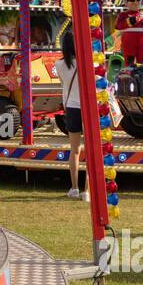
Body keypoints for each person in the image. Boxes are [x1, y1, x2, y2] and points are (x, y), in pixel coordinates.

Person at [53, 31, 87, 202]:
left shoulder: (59, 65)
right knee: (90, 151)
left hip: (72, 107)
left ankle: (74, 188)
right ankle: (87, 191)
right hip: (87, 108)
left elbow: (63, 84)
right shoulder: (86, 62)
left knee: (74, 151)